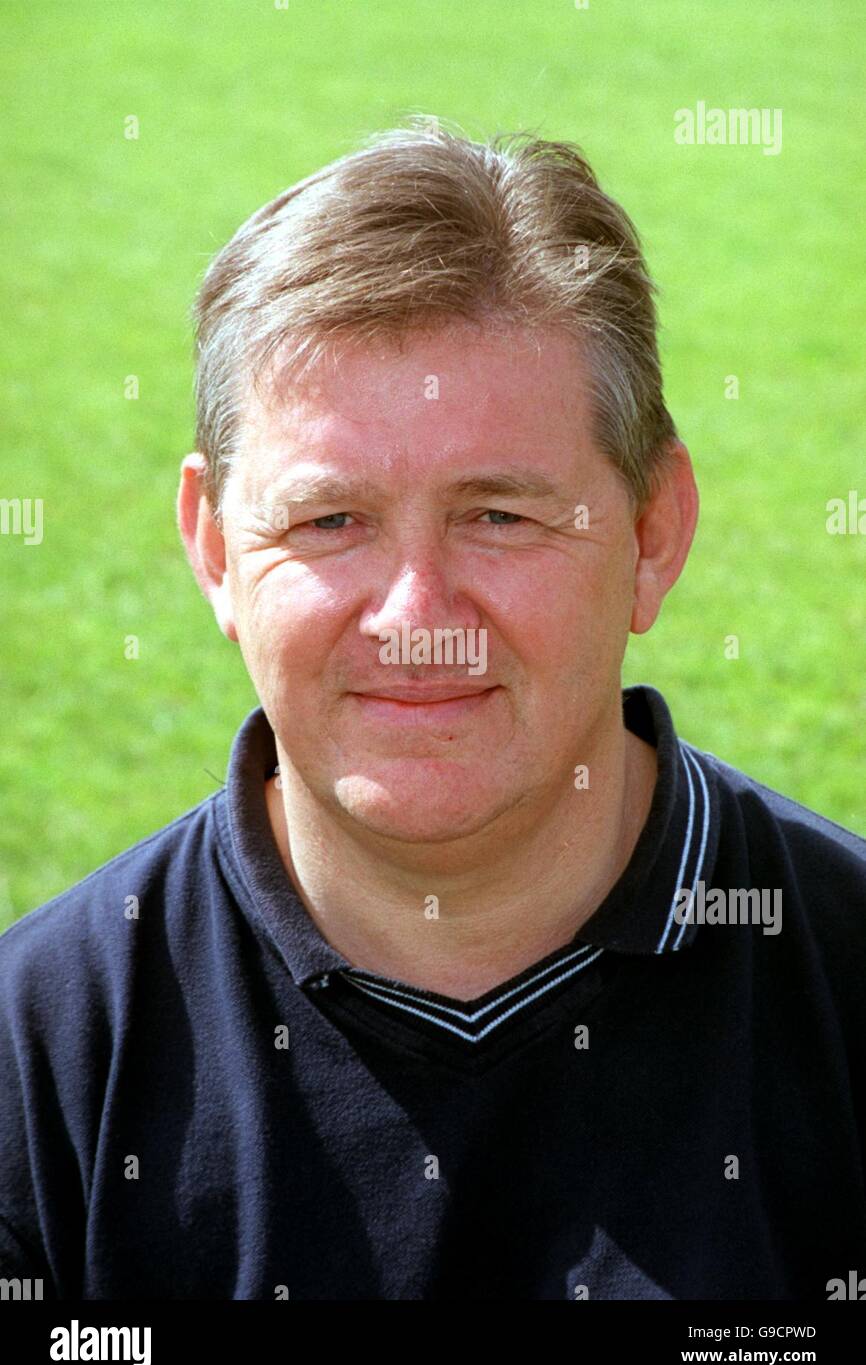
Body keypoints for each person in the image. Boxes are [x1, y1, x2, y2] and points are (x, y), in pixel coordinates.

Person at [1, 121, 864, 1301]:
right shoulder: (32, 1059)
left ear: (652, 532)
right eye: (329, 522)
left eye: (498, 515)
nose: (415, 617)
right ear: (212, 548)